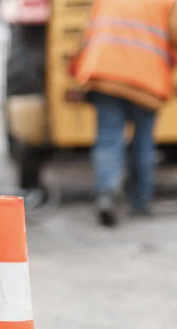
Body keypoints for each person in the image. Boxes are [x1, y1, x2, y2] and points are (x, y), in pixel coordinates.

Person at [74, 0, 177, 226]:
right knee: (142, 142)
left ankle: (106, 194)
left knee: (108, 139)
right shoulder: (166, 3)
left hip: (105, 74)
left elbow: (87, 33)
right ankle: (140, 202)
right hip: (146, 79)